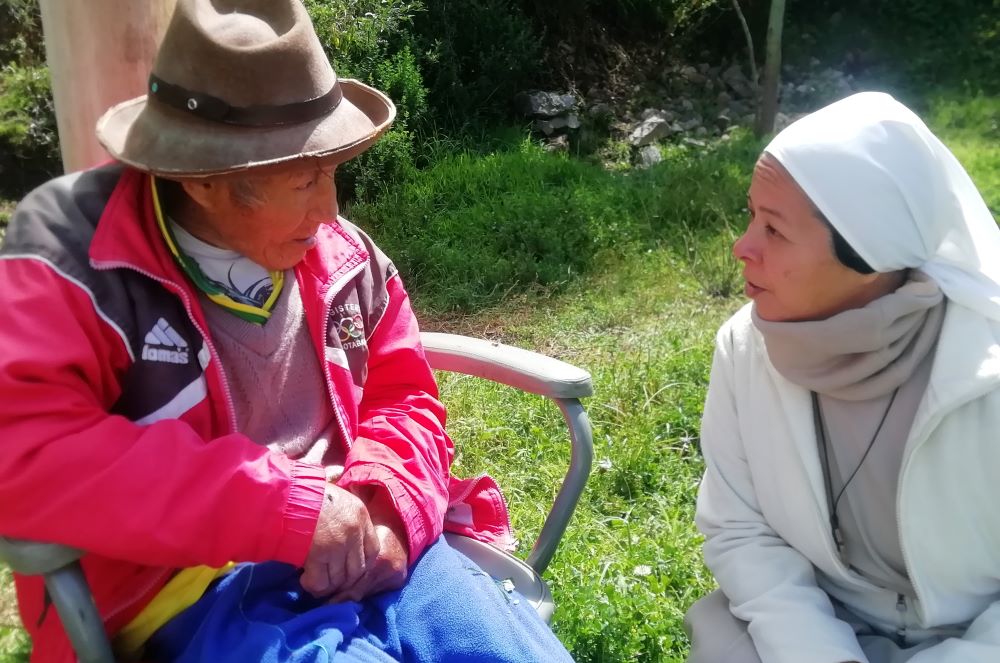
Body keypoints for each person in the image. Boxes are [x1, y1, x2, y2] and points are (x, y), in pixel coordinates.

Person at [0, 1, 573, 661]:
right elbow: (24, 452)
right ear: (206, 180)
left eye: (332, 171)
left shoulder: (345, 255)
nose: (331, 209)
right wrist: (279, 507)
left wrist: (385, 509)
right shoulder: (72, 252)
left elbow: (405, 399)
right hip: (190, 594)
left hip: (365, 537)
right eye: (305, 179)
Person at [685, 91, 1000, 663]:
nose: (742, 247)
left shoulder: (989, 369)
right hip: (812, 623)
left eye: (775, 231)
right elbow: (739, 529)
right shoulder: (745, 347)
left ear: (870, 254)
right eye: (750, 215)